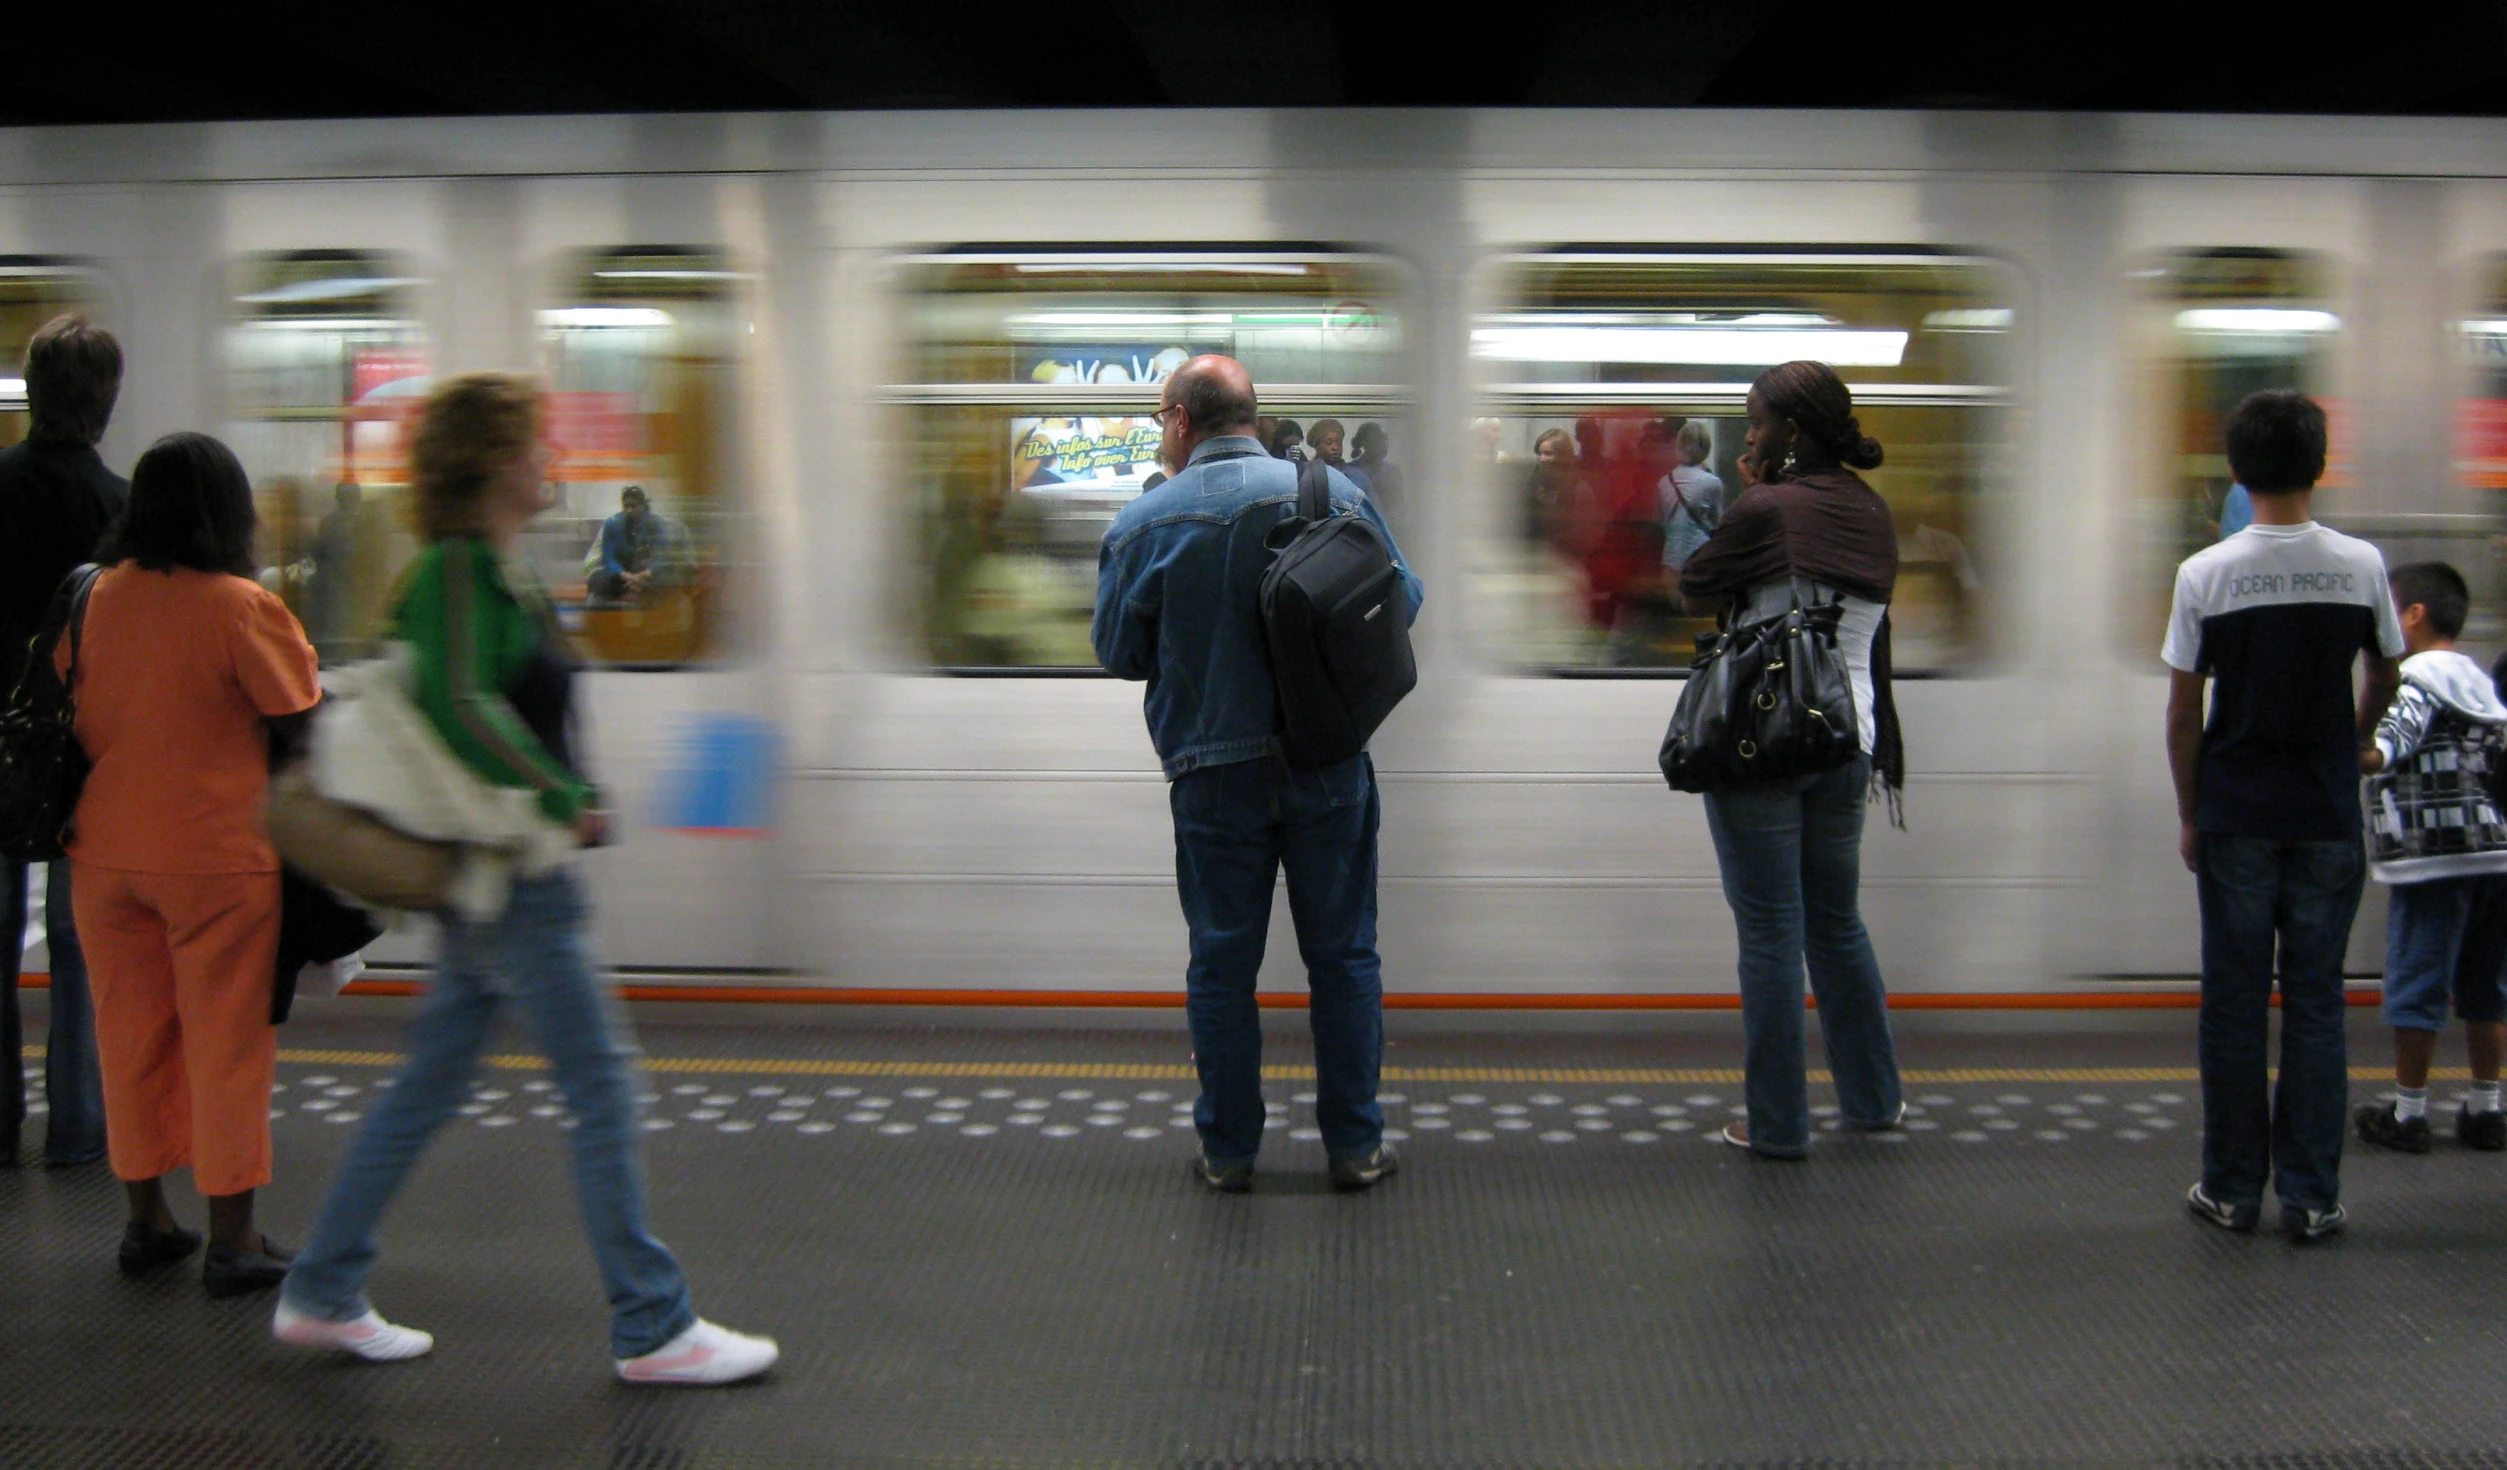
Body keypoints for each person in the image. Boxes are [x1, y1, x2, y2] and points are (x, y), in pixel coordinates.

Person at [278, 374, 776, 1382]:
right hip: (516, 873)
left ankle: (324, 1289)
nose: (551, 460)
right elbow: (462, 709)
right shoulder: (460, 573)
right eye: (537, 444)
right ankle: (652, 1324)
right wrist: (560, 797)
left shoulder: (485, 568)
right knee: (602, 1088)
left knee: (428, 1087)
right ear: (494, 464)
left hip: (499, 876)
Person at [1092, 355, 1422, 1194]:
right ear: (1252, 414)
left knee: (1221, 964)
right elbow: (1403, 600)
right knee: (1344, 959)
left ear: (1177, 420)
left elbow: (1118, 655)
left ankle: (1229, 1152)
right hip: (1327, 763)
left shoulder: (1145, 523)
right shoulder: (1335, 496)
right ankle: (1353, 1147)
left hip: (1211, 774)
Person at [65, 432, 319, 1293]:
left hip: (104, 856)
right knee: (225, 1046)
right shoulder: (240, 605)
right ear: (229, 511)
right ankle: (235, 1237)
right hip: (214, 859)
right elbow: (301, 716)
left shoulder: (91, 598)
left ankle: (146, 1224)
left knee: (128, 1038)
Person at [2163, 389, 2401, 1242]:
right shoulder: (2360, 565)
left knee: (2231, 1003)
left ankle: (2230, 1189)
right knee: (2315, 1002)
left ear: (2236, 470)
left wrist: (2191, 812)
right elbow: (2384, 675)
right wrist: (2355, 738)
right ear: (2319, 464)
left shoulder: (2206, 573)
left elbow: (2183, 713)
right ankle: (2310, 1197)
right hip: (2326, 810)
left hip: (2234, 810)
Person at [1678, 361, 1907, 1159]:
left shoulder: (1767, 507)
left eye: (1758, 421)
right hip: (1849, 739)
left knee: (1771, 930)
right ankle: (1874, 1100)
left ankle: (1776, 1123)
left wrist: (1748, 495)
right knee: (1835, 924)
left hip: (1766, 737)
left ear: (1793, 432)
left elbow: (1695, 586)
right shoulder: (1874, 513)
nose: (1750, 435)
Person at [0, 315, 121, 1170]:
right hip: (84, 747)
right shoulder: (120, 506)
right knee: (79, 940)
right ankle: (77, 1128)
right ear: (106, 403)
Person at [2353, 562, 2507, 1154]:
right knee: (2485, 985)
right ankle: (2486, 1109)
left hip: (2435, 858)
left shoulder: (2415, 676)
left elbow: (2387, 745)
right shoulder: (2477, 680)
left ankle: (2410, 1114)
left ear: (2413, 615)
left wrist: (2352, 749)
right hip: (2495, 854)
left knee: (2417, 977)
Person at [586, 486, 686, 607]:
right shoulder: (612, 524)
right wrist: (624, 575)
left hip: (647, 573)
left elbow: (664, 555)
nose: (629, 510)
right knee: (597, 582)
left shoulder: (656, 524)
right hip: (621, 574)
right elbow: (608, 558)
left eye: (633, 506)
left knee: (670, 581)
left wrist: (646, 574)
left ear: (642, 506)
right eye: (626, 506)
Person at [1659, 419, 1725, 572]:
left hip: (1670, 560)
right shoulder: (1712, 482)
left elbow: (1663, 522)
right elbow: (1718, 524)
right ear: (1705, 447)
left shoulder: (1664, 482)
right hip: (1700, 559)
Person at [1348, 422, 1404, 514]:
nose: (1384, 446)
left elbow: (1400, 506)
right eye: (1378, 441)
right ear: (1365, 443)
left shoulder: (1393, 471)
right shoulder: (1351, 471)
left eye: (1385, 440)